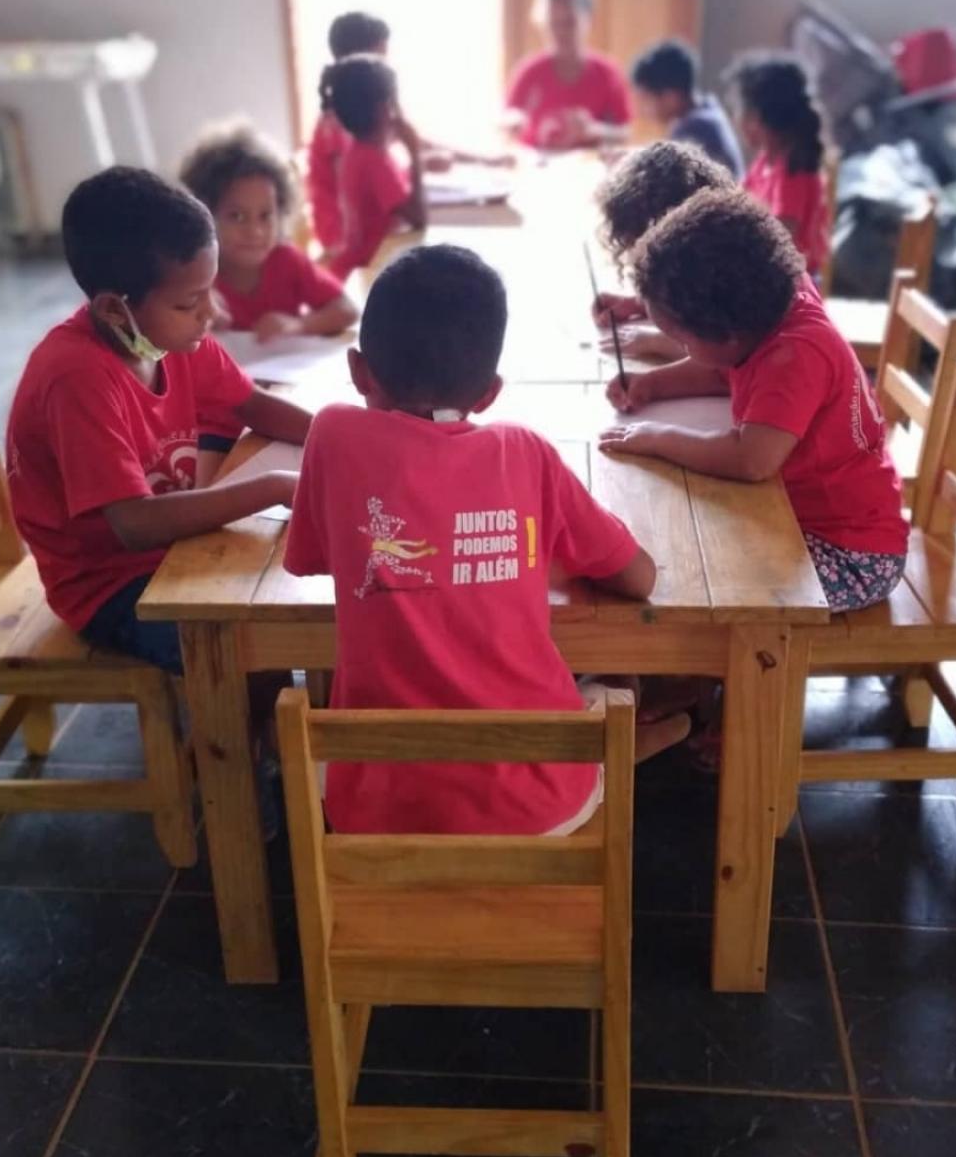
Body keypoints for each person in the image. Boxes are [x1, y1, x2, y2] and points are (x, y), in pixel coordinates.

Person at [283, 244, 687, 835]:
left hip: (377, 814)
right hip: (539, 807)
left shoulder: (332, 434)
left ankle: (632, 738)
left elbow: (312, 558)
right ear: (491, 391)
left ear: (358, 371)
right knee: (614, 684)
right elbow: (639, 577)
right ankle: (645, 740)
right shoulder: (526, 451)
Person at [6, 166, 311, 675]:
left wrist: (337, 435)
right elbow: (135, 524)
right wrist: (275, 487)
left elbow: (251, 404)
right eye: (189, 301)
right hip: (109, 586)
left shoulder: (172, 336)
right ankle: (241, 727)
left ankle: (284, 716)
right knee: (250, 646)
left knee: (298, 594)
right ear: (114, 309)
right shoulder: (76, 378)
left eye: (210, 290)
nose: (211, 313)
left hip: (174, 547)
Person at [600, 186, 907, 615]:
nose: (681, 349)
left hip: (851, 554)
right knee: (688, 548)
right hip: (800, 515)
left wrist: (657, 438)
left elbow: (750, 460)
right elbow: (724, 370)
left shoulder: (794, 355)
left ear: (726, 333)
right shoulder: (769, 314)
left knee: (707, 586)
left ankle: (732, 662)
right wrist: (652, 385)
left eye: (683, 341)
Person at [307, 11, 513, 253]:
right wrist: (416, 161)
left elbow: (407, 139)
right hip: (345, 243)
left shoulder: (361, 119)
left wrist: (483, 160)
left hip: (368, 241)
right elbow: (369, 190)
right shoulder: (345, 125)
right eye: (380, 58)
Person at [179, 121, 357, 341]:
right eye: (237, 216)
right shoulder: (197, 274)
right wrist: (198, 316)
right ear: (205, 214)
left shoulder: (287, 260)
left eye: (265, 216)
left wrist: (300, 325)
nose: (255, 231)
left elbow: (348, 310)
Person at [590, 141, 737, 363]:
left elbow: (727, 351)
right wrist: (638, 305)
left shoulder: (730, 268)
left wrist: (654, 342)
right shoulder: (704, 254)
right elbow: (696, 309)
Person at [723, 50, 829, 278]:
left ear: (756, 118)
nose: (735, 120)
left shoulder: (793, 170)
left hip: (790, 283)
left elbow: (781, 240)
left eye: (738, 111)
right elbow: (737, 203)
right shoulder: (765, 161)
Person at [324, 55, 426, 280]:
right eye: (395, 101)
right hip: (368, 271)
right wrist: (414, 153)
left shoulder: (359, 150)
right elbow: (418, 217)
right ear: (385, 109)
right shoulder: (375, 161)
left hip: (363, 264)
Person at [505, 0, 630, 150]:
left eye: (570, 22)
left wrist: (594, 130)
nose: (561, 32)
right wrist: (512, 123)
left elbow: (625, 132)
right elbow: (509, 115)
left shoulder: (607, 73)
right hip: (536, 163)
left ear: (589, 19)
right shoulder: (528, 71)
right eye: (553, 23)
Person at [307, 11, 391, 253]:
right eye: (380, 59)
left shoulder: (362, 109)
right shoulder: (339, 121)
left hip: (360, 231)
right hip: (343, 238)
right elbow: (353, 199)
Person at [630, 39, 743, 177]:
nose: (643, 110)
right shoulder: (707, 110)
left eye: (646, 100)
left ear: (671, 96)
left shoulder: (694, 127)